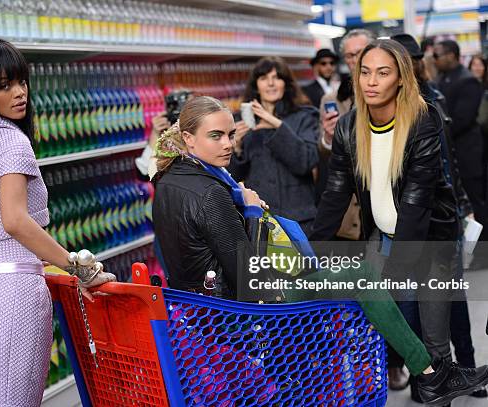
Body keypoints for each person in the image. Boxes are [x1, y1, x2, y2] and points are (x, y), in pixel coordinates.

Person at [153, 95, 488, 406]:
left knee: (348, 274)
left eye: (230, 134)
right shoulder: (212, 193)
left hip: (201, 311)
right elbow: (251, 276)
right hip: (241, 314)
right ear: (187, 138)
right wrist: (252, 210)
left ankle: (428, 373)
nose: (227, 144)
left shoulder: (169, 181)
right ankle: (429, 374)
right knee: (362, 276)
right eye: (216, 136)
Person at [0, 38, 115, 406]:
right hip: (12, 296)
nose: (20, 93)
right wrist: (77, 267)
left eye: (21, 82)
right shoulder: (13, 143)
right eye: (4, 85)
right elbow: (14, 220)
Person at [310, 37, 488, 404]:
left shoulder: (423, 121)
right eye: (365, 72)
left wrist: (396, 271)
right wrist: (312, 255)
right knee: (400, 328)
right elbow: (335, 195)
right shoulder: (348, 127)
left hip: (432, 238)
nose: (371, 81)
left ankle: (442, 389)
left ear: (402, 79)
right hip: (384, 235)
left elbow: (417, 200)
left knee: (434, 337)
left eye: (383, 72)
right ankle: (431, 381)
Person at [393, 33, 487, 401]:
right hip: (408, 226)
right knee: (414, 309)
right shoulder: (387, 108)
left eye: (414, 58)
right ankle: (429, 380)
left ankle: (467, 371)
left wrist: (463, 204)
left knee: (455, 303)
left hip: (445, 218)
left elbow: (450, 160)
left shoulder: (436, 97)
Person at [228, 57, 319, 235]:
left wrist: (277, 125)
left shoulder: (304, 116)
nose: (270, 84)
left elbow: (306, 162)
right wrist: (235, 147)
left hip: (299, 219)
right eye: (263, 78)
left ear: (286, 83)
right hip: (261, 218)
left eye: (276, 78)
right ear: (256, 85)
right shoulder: (241, 121)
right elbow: (235, 178)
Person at [315, 29, 375, 241]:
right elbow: (323, 152)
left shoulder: (387, 97)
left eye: (361, 52)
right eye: (350, 55)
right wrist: (329, 139)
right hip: (348, 208)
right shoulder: (331, 99)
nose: (355, 60)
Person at [435, 40, 488, 254]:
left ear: (451, 55)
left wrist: (438, 132)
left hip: (468, 154)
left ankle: (482, 251)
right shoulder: (441, 79)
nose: (435, 60)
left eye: (438, 55)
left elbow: (461, 119)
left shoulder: (467, 81)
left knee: (475, 202)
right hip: (453, 153)